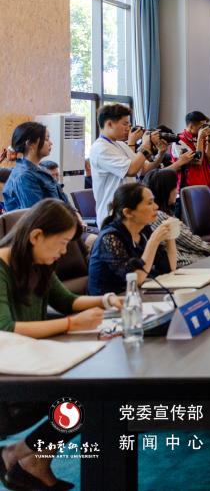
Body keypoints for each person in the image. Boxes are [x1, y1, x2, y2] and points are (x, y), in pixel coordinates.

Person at [0, 199, 122, 491]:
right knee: (88, 397)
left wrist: (108, 300)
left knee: (95, 391)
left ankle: (23, 456)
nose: (65, 252)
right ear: (36, 236)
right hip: (9, 381)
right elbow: (5, 329)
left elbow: (67, 301)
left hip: (31, 364)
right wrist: (70, 325)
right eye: (63, 243)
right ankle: (25, 457)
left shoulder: (38, 263)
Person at [88, 103, 179, 227]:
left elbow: (144, 169)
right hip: (113, 214)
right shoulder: (101, 148)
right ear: (109, 124)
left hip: (130, 210)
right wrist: (145, 145)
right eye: (125, 124)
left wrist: (161, 153)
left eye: (129, 124)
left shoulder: (120, 144)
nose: (129, 128)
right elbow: (131, 170)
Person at [88, 183, 177, 295]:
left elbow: (170, 268)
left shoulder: (144, 230)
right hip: (111, 300)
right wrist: (153, 242)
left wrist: (170, 234)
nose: (156, 207)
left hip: (137, 294)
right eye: (149, 203)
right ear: (128, 212)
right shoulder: (110, 237)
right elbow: (136, 279)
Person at [145, 170, 210, 267]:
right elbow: (188, 239)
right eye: (175, 187)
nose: (177, 190)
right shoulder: (159, 215)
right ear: (166, 191)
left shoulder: (166, 213)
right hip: (185, 262)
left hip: (192, 258)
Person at [2, 122, 69, 211]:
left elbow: (63, 200)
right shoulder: (25, 177)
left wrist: (75, 213)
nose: (51, 143)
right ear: (30, 144)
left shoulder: (42, 169)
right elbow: (38, 215)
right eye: (46, 139)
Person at [170, 111, 210, 191]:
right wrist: (200, 139)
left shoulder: (200, 139)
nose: (204, 129)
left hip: (206, 184)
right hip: (189, 188)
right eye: (202, 127)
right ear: (191, 126)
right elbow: (197, 161)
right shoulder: (178, 141)